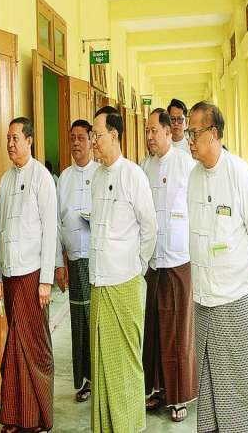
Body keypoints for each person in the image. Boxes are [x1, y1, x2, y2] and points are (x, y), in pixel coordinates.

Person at [186, 101, 248, 432]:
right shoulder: (193, 177)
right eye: (188, 133)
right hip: (203, 299)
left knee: (239, 382)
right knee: (207, 381)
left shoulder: (239, 174)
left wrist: (244, 281)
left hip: (233, 299)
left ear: (214, 134)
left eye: (194, 132)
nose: (189, 140)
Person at [88, 106, 157, 433]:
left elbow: (150, 228)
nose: (93, 141)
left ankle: (129, 427)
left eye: (97, 135)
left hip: (125, 282)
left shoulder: (133, 175)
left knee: (126, 362)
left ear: (114, 136)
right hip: (99, 281)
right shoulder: (96, 177)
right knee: (101, 360)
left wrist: (136, 266)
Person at [0, 117, 57, 432]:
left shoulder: (42, 178)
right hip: (9, 274)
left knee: (34, 347)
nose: (10, 144)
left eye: (15, 138)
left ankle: (39, 417)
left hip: (33, 275)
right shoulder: (5, 181)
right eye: (8, 138)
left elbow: (50, 232)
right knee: (14, 347)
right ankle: (16, 416)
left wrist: (46, 281)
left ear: (29, 140)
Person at [141, 108, 198, 422]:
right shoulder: (145, 167)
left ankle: (179, 397)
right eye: (147, 131)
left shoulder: (185, 164)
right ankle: (158, 390)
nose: (149, 136)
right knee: (154, 328)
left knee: (177, 329)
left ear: (167, 131)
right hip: (153, 260)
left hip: (178, 258)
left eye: (154, 130)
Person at [55, 119, 99, 403]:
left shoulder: (101, 174)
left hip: (98, 259)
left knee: (98, 320)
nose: (75, 143)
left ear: (92, 140)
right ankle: (85, 380)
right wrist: (60, 264)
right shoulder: (65, 178)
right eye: (72, 138)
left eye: (81, 138)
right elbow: (57, 223)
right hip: (74, 258)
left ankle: (101, 378)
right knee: (79, 322)